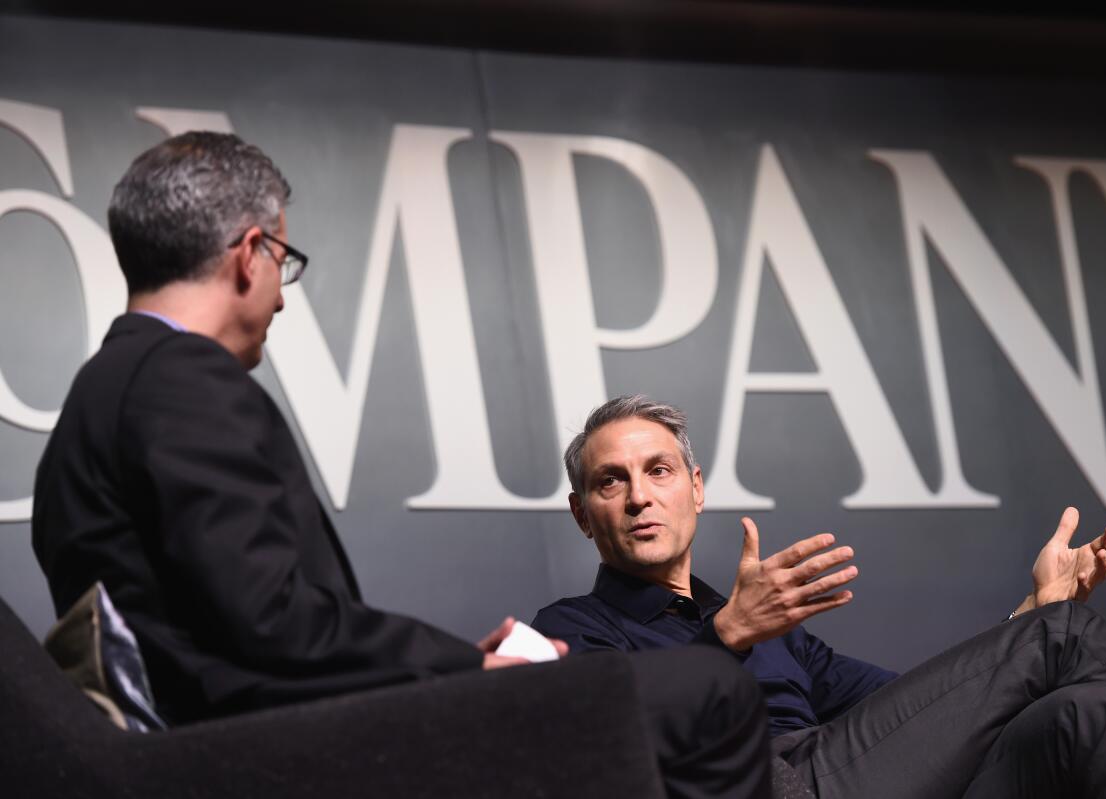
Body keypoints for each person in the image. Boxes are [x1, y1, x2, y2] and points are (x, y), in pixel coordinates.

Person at [31, 133, 772, 798]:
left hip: (227, 740)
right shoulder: (185, 380)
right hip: (282, 751)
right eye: (282, 262)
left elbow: (225, 622)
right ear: (247, 253)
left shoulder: (96, 398)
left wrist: (443, 666)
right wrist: (464, 670)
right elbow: (270, 622)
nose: (281, 301)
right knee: (708, 689)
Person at [533, 394, 1106, 798]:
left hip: (864, 776)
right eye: (610, 482)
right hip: (772, 785)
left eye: (658, 470)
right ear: (582, 513)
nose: (640, 496)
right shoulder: (573, 629)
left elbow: (921, 711)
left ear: (696, 487)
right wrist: (725, 637)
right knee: (1068, 635)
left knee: (1097, 711)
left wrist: (1029, 614)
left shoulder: (777, 625)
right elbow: (608, 748)